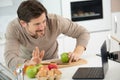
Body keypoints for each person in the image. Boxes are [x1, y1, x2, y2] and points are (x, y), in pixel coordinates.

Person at [4, 0, 90, 71]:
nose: (42, 27)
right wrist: (29, 63)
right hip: (29, 68)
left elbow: (82, 33)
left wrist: (77, 52)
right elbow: (10, 59)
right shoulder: (13, 28)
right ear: (23, 23)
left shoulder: (55, 21)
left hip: (53, 64)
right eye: (37, 24)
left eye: (44, 21)